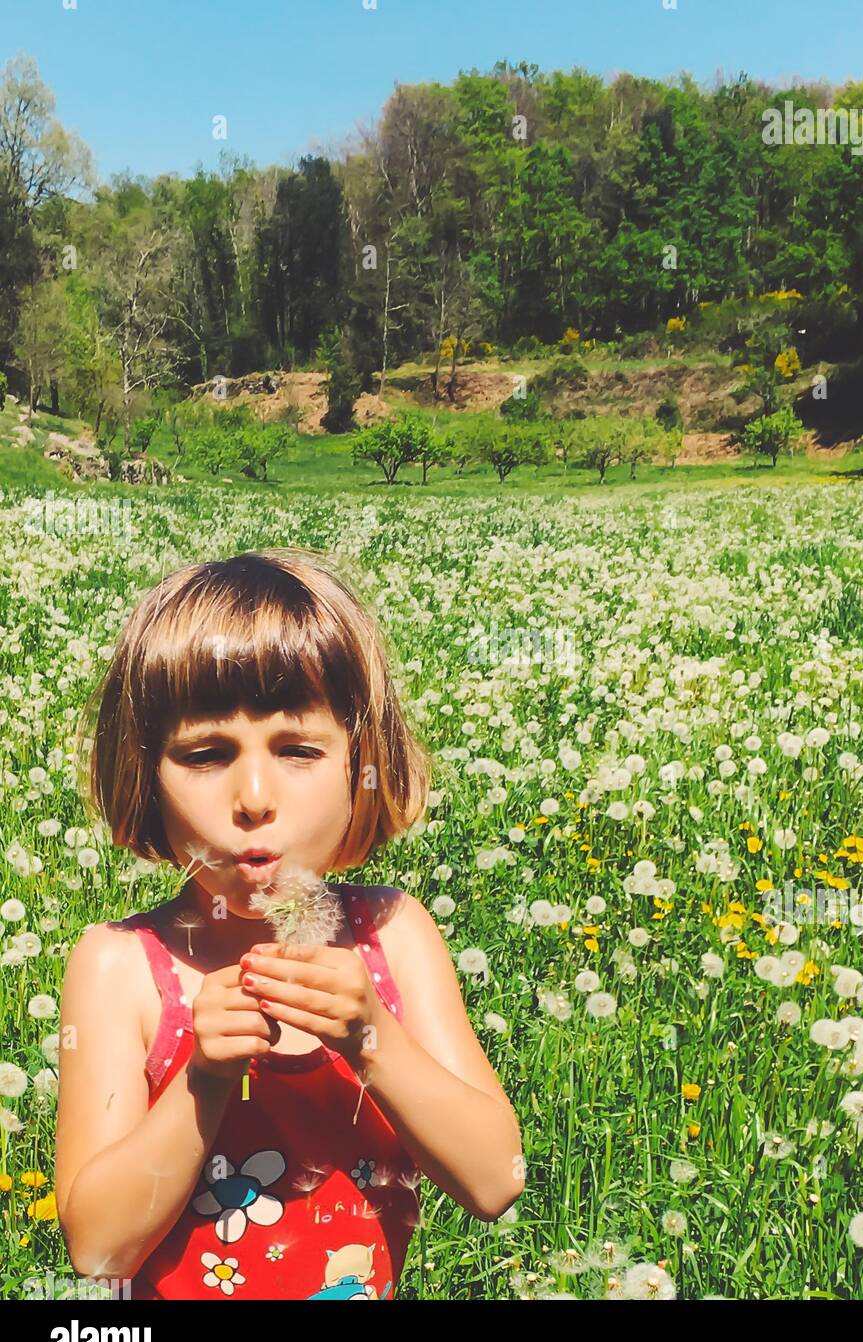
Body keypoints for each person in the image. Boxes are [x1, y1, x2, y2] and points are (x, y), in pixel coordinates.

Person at [54, 548, 524, 1299]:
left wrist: (372, 1036)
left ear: (361, 765)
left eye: (298, 750)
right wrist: (202, 1079)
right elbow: (98, 1248)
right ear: (144, 777)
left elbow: (495, 1180)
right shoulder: (118, 966)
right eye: (204, 755)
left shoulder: (392, 937)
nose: (252, 796)